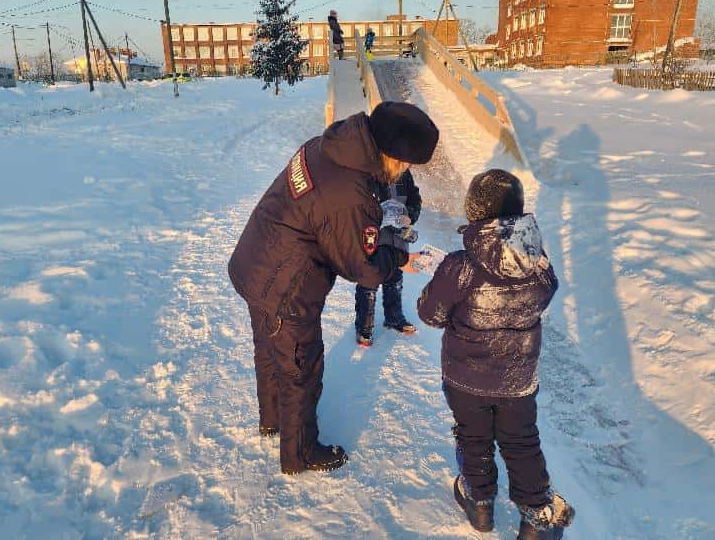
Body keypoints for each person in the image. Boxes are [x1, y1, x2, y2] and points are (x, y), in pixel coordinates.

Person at [229, 101, 438, 475]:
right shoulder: (350, 192)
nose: (404, 171)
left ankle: (273, 421)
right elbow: (364, 269)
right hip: (287, 287)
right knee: (301, 368)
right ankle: (301, 454)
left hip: (256, 262)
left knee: (270, 349)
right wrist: (398, 256)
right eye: (405, 163)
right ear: (388, 152)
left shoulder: (328, 146)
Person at [417, 169, 575, 539]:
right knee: (521, 441)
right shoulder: (538, 264)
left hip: (465, 378)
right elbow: (547, 292)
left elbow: (430, 313)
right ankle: (537, 517)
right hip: (517, 378)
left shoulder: (461, 266)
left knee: (473, 437)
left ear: (475, 211)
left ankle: (480, 504)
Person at [354, 169, 421, 347]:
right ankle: (364, 328)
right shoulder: (369, 170)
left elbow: (415, 197)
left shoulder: (404, 173)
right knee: (369, 281)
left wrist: (410, 216)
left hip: (398, 239)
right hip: (374, 237)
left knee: (395, 279)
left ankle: (394, 318)